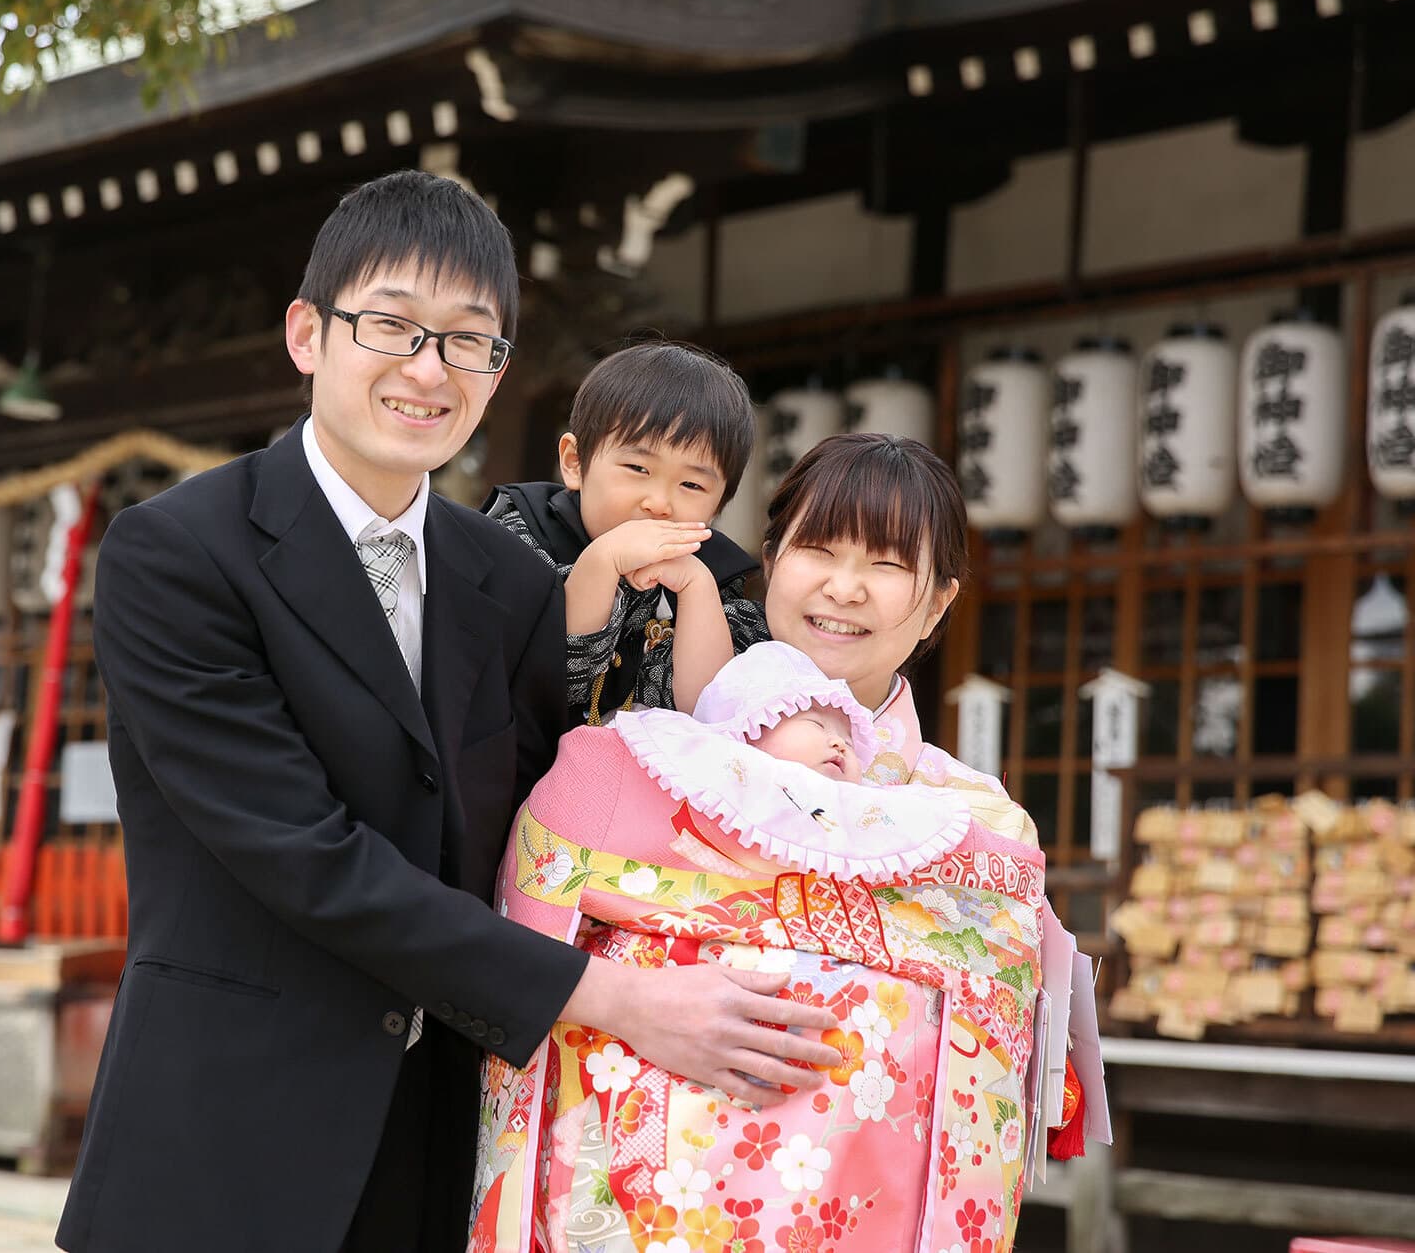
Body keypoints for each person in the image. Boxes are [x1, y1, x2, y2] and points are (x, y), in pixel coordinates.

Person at [56, 172, 839, 1253]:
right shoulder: (179, 553)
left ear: (497, 370)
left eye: (467, 341)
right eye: (390, 325)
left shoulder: (507, 581)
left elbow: (544, 831)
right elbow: (303, 856)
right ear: (306, 333)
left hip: (442, 1151)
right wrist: (612, 996)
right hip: (223, 1147)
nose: (427, 369)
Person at [471, 434, 1093, 1253]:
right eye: (819, 549)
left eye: (887, 564)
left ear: (939, 602)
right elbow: (509, 962)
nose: (844, 587)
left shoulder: (983, 823)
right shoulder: (633, 756)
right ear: (771, 559)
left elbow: (990, 1084)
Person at [488, 342, 767, 724]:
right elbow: (550, 684)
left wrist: (697, 588)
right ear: (575, 461)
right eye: (637, 468)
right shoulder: (516, 539)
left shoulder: (717, 578)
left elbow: (708, 714)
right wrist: (602, 564)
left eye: (692, 485)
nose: (659, 502)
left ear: (718, 506)